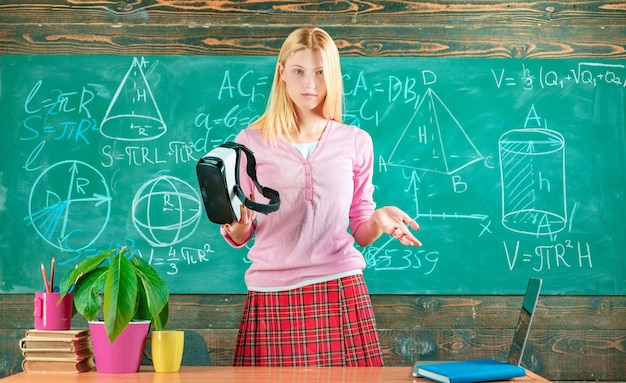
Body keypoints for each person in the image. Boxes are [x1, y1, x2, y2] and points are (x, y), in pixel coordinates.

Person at [220, 27, 422, 367]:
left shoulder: (356, 141)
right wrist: (237, 227)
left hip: (340, 287)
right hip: (271, 293)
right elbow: (240, 231)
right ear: (282, 72)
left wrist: (377, 220)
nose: (309, 84)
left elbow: (360, 228)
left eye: (320, 72)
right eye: (299, 71)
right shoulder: (250, 141)